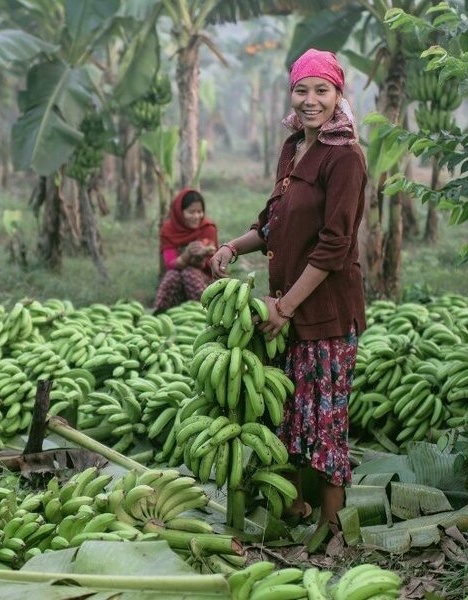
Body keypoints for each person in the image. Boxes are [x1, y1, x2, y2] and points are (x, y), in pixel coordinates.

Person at [208, 48, 367, 538]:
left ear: (339, 95)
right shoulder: (294, 147)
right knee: (289, 416)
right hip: (286, 311)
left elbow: (335, 244)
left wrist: (287, 306)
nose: (311, 100)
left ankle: (332, 526)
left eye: (322, 90)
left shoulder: (345, 158)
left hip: (324, 314)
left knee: (324, 421)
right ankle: (295, 509)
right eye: (302, 90)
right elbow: (274, 223)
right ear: (291, 94)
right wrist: (233, 246)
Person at [153, 189, 219, 313]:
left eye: (200, 212)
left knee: (190, 272)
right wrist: (187, 254)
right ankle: (160, 314)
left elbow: (213, 266)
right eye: (191, 212)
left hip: (204, 283)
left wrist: (201, 258)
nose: (196, 216)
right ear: (180, 212)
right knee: (173, 275)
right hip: (176, 284)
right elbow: (170, 263)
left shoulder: (208, 228)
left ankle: (207, 312)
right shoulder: (168, 230)